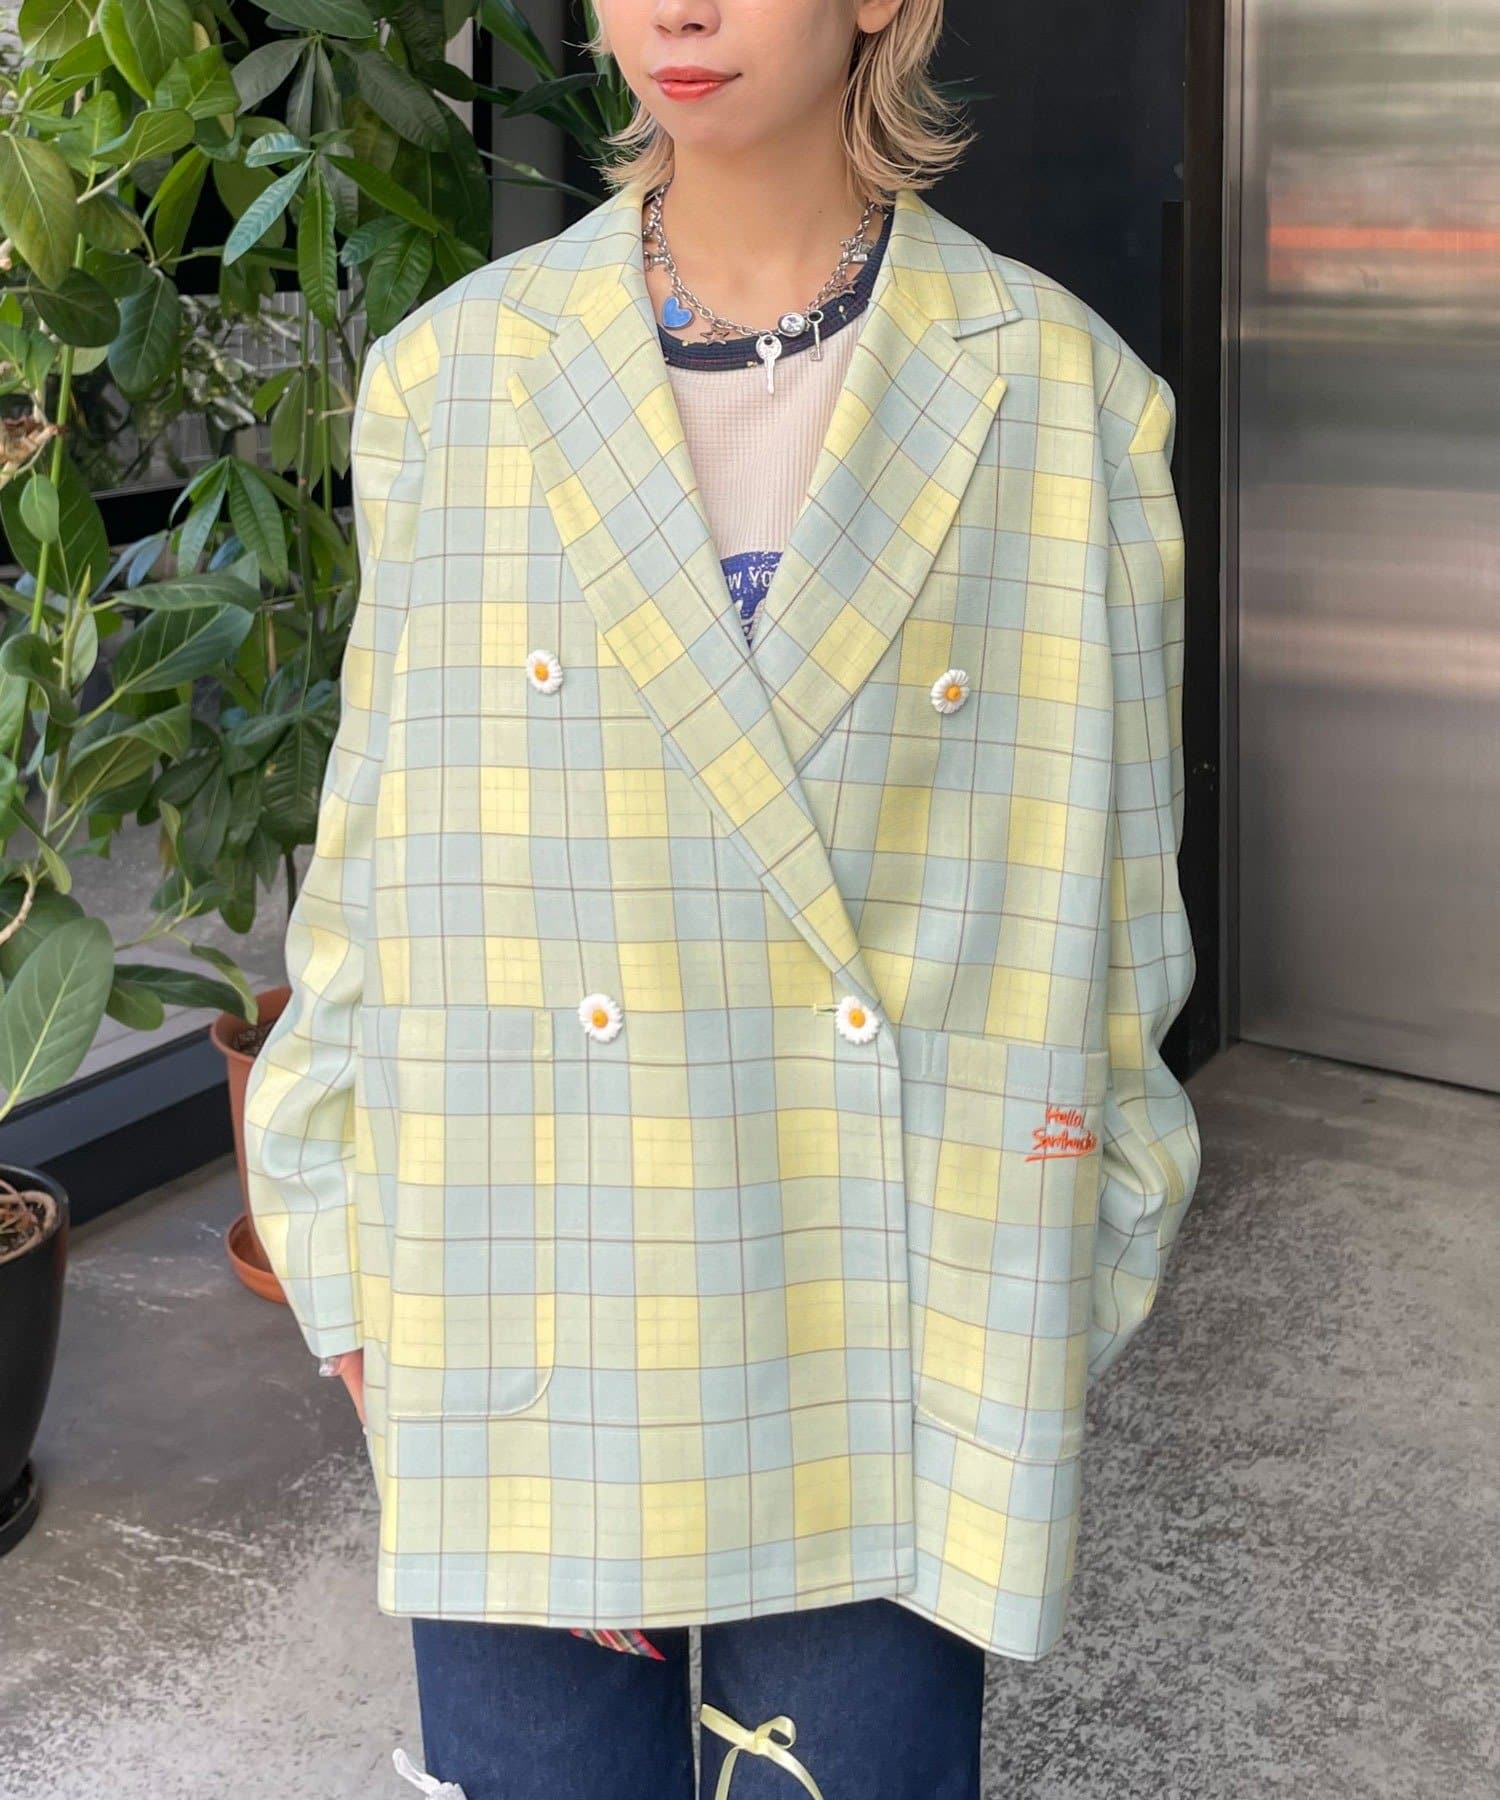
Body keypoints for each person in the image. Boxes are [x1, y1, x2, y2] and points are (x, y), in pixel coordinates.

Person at [242, 0, 1202, 1795]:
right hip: (527, 1269)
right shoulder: (456, 380)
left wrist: (1075, 1259)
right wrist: (345, 1253)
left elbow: (1115, 921)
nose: (676, 11)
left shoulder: (1063, 398)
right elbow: (378, 864)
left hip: (884, 1303)